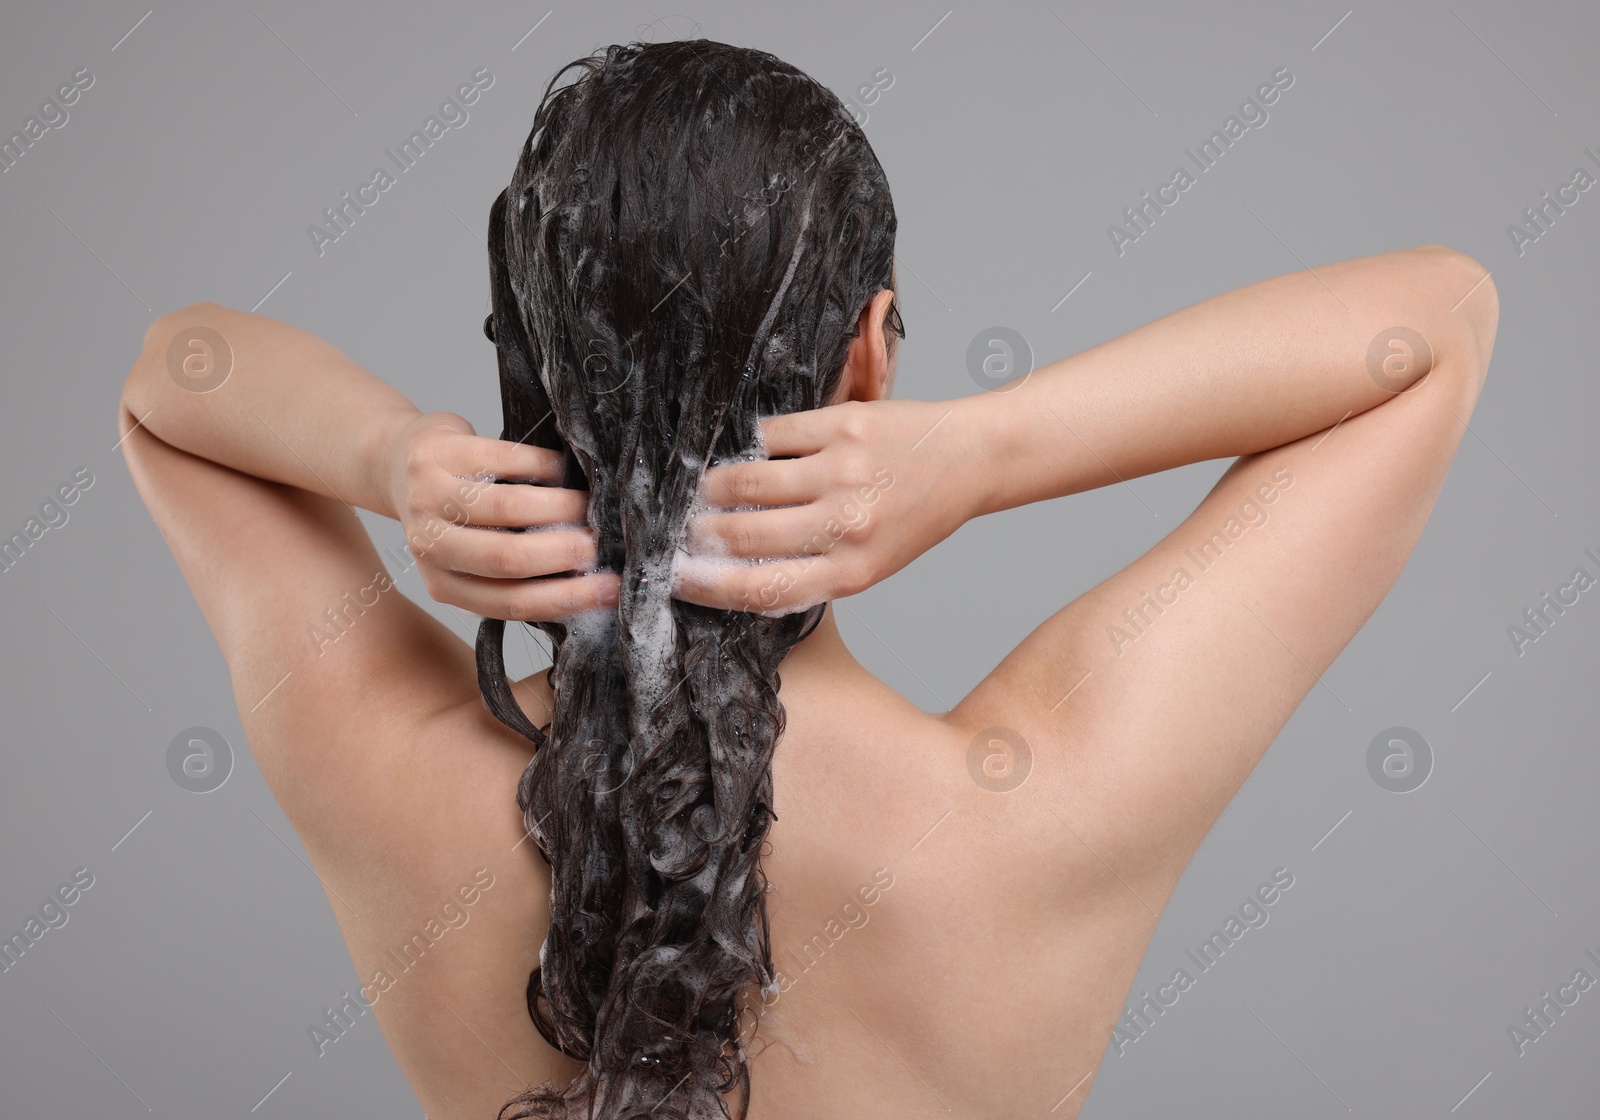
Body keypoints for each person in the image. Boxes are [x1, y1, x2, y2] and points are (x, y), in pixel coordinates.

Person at [117, 39, 1497, 1120]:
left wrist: (388, 456)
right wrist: (986, 450)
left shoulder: (393, 774)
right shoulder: (1037, 804)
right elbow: (1439, 320)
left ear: (530, 362)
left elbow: (171, 381)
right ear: (868, 358)